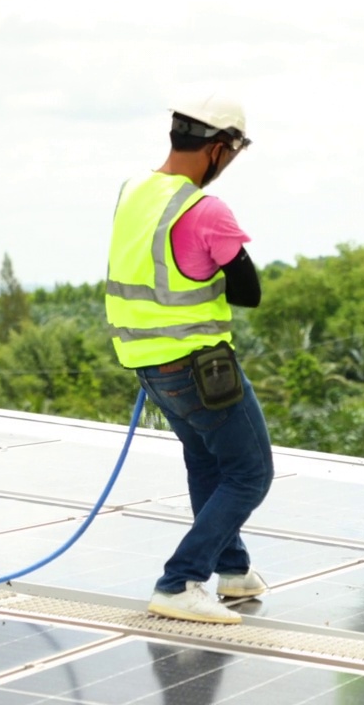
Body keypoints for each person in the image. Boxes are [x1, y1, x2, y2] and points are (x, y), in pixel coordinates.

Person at [105, 95, 273, 625]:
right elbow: (249, 291)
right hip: (199, 367)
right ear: (218, 149)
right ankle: (180, 580)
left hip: (147, 364)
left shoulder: (132, 191)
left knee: (206, 460)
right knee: (250, 472)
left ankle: (234, 569)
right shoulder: (204, 210)